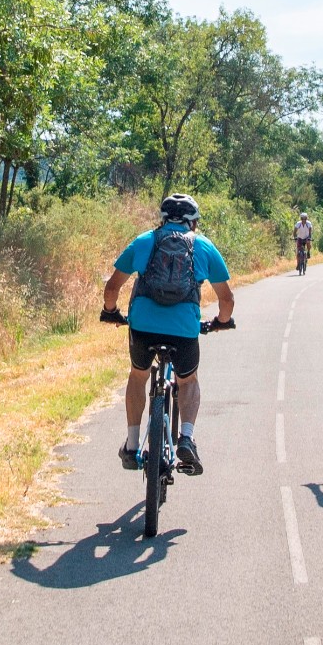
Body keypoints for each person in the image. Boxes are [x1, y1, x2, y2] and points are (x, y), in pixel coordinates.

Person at [99, 192, 236, 475]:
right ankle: (186, 437)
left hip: (143, 328)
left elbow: (112, 288)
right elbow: (227, 299)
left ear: (162, 219)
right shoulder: (204, 246)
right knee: (188, 380)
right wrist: (220, 322)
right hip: (184, 331)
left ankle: (132, 445)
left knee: (138, 376)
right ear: (193, 222)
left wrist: (111, 312)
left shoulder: (144, 241)